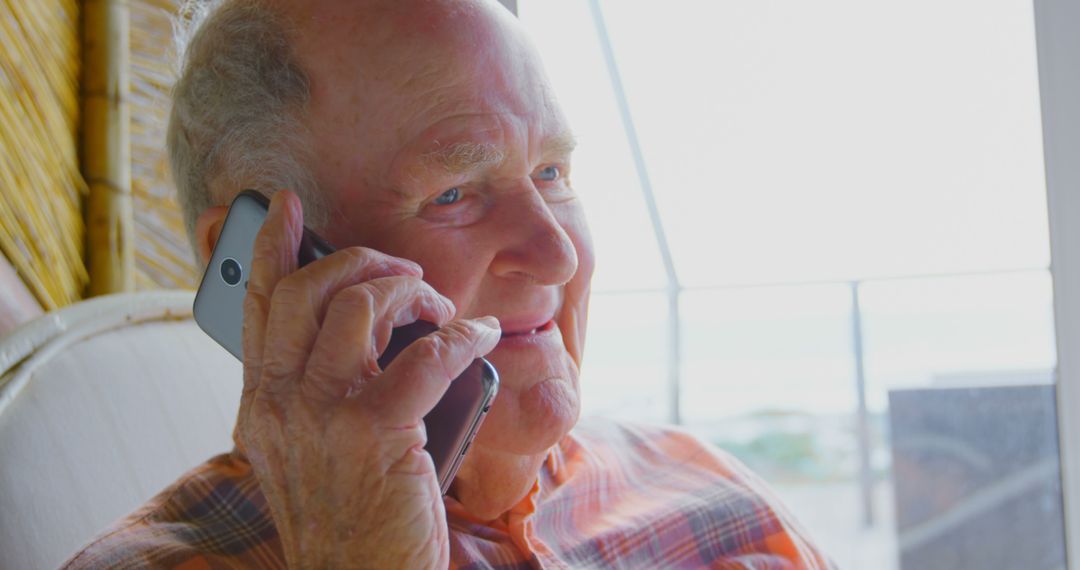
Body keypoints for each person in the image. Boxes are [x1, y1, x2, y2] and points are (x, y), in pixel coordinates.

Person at [64, 0, 834, 568]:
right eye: (455, 192)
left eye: (552, 172)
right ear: (271, 261)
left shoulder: (701, 484)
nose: (557, 252)